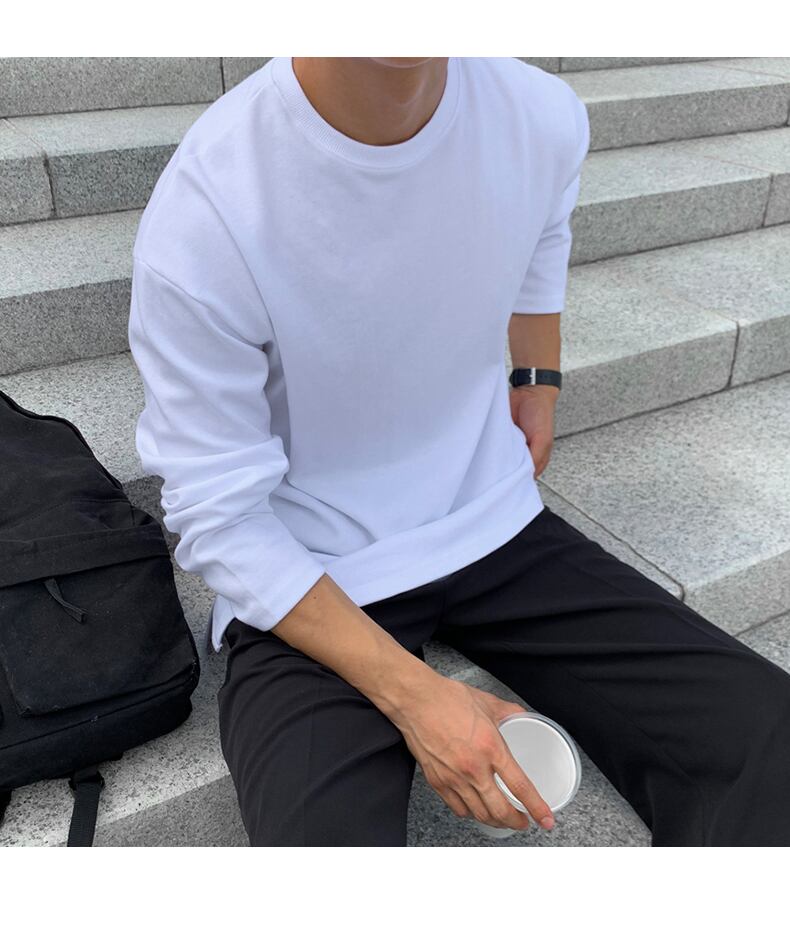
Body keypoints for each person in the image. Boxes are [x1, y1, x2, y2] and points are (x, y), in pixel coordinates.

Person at [128, 56, 790, 846]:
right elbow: (219, 517)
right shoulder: (209, 205)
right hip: (309, 570)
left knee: (770, 742)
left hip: (491, 520)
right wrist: (419, 697)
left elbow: (543, 229)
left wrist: (538, 377)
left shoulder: (538, 111)